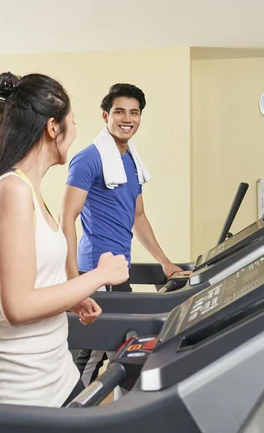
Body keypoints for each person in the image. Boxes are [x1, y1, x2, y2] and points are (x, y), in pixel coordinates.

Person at [0, 72, 129, 408]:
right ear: (53, 127)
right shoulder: (12, 191)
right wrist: (99, 275)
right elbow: (18, 306)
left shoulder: (29, 190)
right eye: (73, 121)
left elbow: (10, 282)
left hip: (57, 373)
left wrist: (70, 297)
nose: (76, 131)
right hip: (20, 390)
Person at [60, 83, 181, 385]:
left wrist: (165, 262)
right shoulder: (89, 158)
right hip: (94, 270)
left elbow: (138, 215)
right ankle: (63, 418)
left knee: (113, 352)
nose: (127, 119)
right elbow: (67, 217)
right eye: (119, 112)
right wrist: (74, 279)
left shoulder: (130, 160)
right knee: (90, 353)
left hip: (117, 271)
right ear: (105, 116)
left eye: (134, 112)